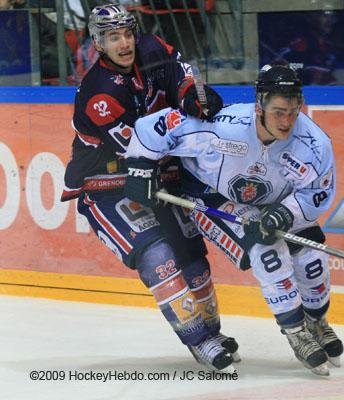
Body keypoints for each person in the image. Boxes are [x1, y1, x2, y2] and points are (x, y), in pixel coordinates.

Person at [124, 64, 344, 376]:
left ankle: (317, 322)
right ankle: (296, 333)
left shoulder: (314, 144)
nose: (287, 121)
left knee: (311, 256)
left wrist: (286, 212)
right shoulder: (224, 125)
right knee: (267, 251)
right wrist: (139, 164)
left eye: (294, 112)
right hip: (214, 196)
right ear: (260, 106)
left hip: (276, 204)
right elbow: (154, 127)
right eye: (279, 111)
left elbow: (316, 193)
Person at [60, 4, 239, 373]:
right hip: (108, 187)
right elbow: (139, 147)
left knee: (193, 258)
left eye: (127, 33)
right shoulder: (99, 92)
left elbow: (183, 71)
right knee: (158, 256)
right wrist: (189, 125)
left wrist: (193, 94)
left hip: (159, 178)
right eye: (113, 37)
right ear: (98, 42)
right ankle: (197, 340)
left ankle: (212, 331)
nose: (124, 43)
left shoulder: (152, 47)